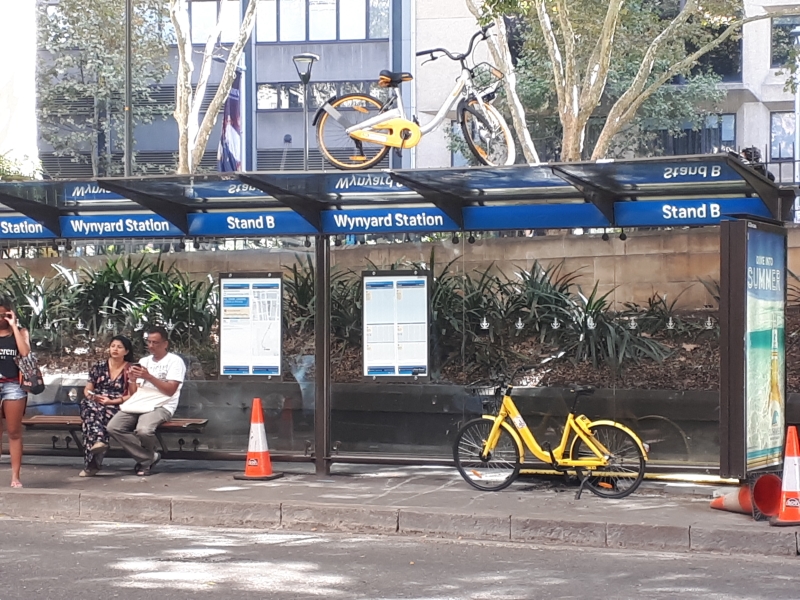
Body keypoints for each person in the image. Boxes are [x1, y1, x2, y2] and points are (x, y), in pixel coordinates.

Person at [107, 326, 185, 476]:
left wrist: (149, 376)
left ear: (165, 344)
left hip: (162, 404)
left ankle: (145, 461)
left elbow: (170, 390)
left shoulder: (175, 361)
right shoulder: (144, 361)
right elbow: (134, 393)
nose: (151, 346)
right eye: (148, 342)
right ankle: (148, 457)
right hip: (140, 402)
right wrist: (132, 380)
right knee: (113, 427)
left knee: (143, 430)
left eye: (155, 343)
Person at [80, 335, 135, 477]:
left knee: (91, 421)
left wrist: (111, 401)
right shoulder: (99, 367)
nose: (115, 349)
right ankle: (98, 442)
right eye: (113, 346)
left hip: (117, 405)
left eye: (119, 347)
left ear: (126, 351)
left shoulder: (130, 369)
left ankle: (91, 464)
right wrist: (92, 396)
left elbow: (133, 394)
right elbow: (87, 389)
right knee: (90, 407)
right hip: (96, 402)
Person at [0, 299, 31, 488]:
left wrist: (14, 325)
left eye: (3, 315)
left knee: (14, 431)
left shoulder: (20, 332)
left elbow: (25, 353)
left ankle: (15, 476)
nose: (1, 319)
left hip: (13, 384)